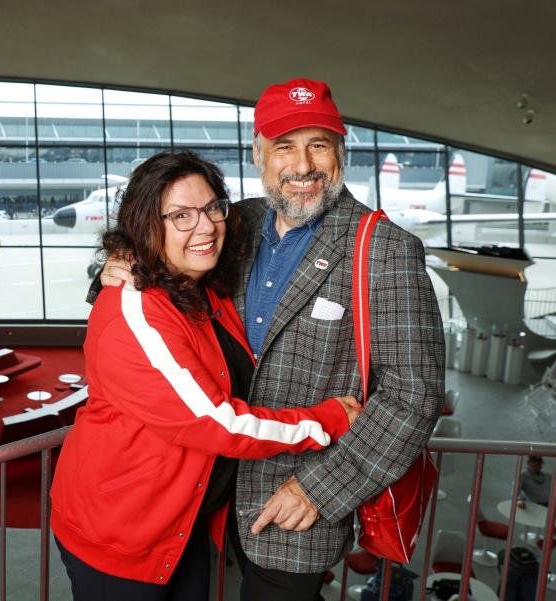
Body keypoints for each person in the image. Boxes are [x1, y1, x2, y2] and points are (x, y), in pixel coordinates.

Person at [99, 78, 444, 600]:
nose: (302, 165)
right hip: (206, 498)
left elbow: (413, 394)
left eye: (318, 145)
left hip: (296, 510)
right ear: (259, 153)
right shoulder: (237, 224)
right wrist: (115, 266)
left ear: (340, 153)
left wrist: (324, 489)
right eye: (285, 146)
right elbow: (164, 264)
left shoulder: (385, 250)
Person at [51, 150, 363, 601]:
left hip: (179, 524)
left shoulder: (205, 292)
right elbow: (218, 422)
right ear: (146, 224)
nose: (205, 226)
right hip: (119, 534)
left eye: (212, 208)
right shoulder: (136, 307)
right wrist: (329, 420)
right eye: (180, 215)